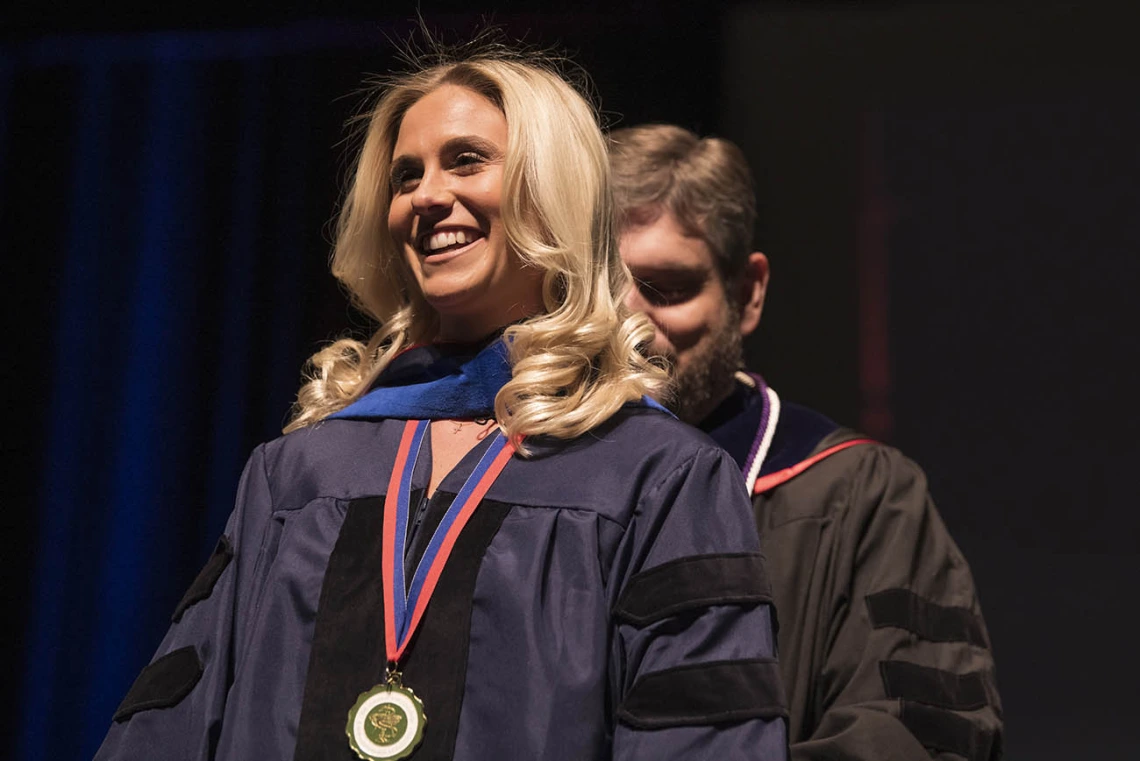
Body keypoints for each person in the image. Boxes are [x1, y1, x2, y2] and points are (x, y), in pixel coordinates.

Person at [94, 52, 789, 761]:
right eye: (406, 174)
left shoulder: (657, 477)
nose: (426, 195)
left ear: (554, 191)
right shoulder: (299, 472)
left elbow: (706, 739)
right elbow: (167, 728)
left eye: (465, 160)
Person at [609, 123, 1003, 761]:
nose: (632, 330)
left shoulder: (859, 497)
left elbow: (921, 737)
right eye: (602, 292)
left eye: (668, 288)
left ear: (748, 292)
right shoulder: (525, 477)